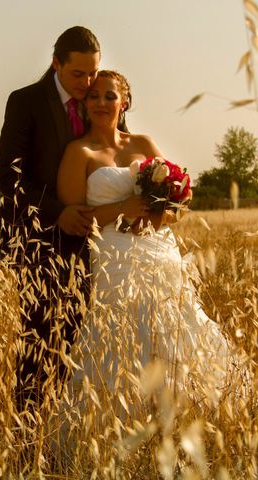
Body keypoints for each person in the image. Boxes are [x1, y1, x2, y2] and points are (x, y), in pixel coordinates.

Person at [56, 70, 250, 436]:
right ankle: (117, 429)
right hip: (114, 258)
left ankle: (183, 423)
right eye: (93, 96)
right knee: (121, 341)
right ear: (84, 102)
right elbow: (76, 220)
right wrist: (123, 208)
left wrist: (159, 214)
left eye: (109, 96)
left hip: (161, 253)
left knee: (174, 334)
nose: (100, 103)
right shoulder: (78, 152)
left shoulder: (143, 143)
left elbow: (180, 203)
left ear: (124, 102)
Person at [0, 26, 100, 414]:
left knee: (79, 344)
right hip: (35, 243)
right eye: (78, 74)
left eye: (92, 73)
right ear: (56, 63)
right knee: (37, 347)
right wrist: (59, 213)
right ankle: (26, 443)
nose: (87, 83)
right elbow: (7, 176)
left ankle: (64, 435)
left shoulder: (98, 100)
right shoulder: (25, 101)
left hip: (88, 244)